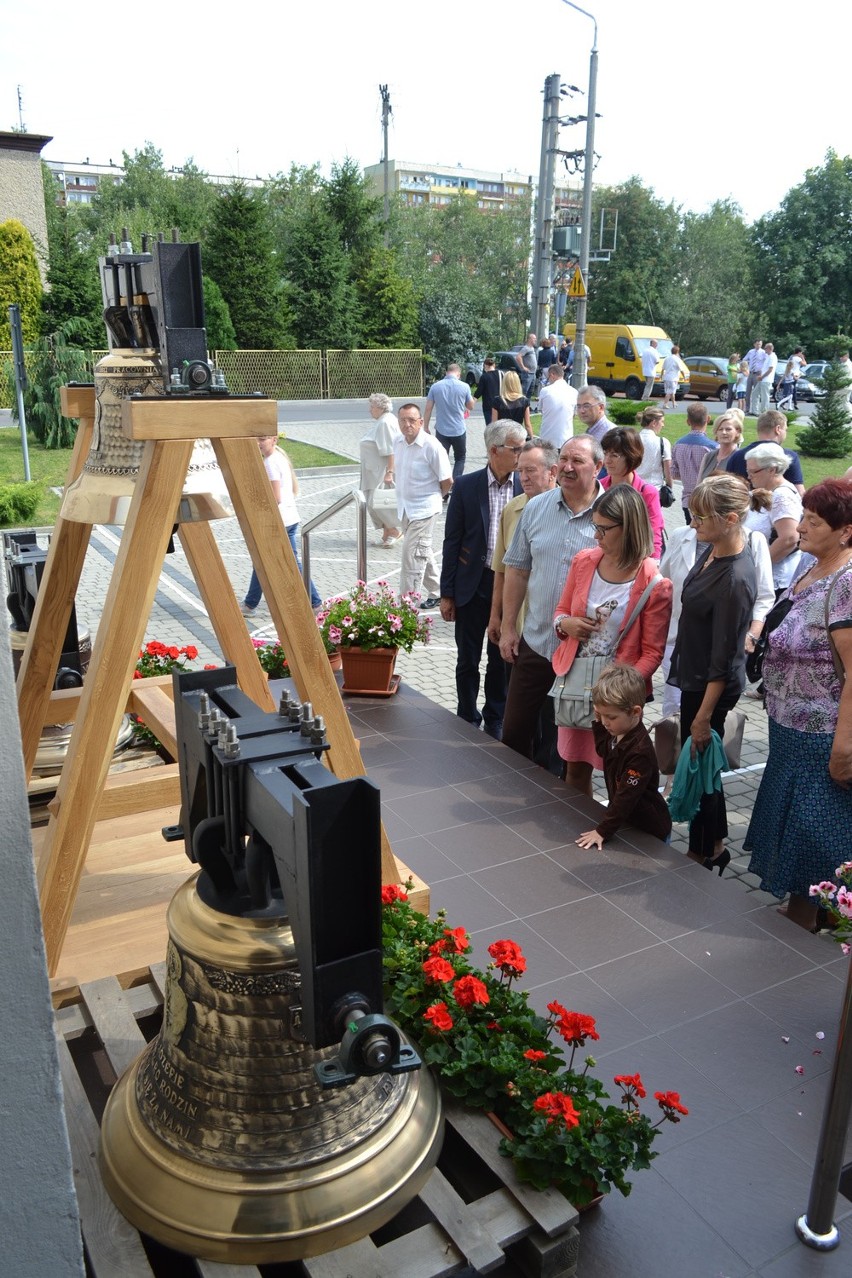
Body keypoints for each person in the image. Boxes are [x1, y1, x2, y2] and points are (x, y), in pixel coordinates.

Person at [744, 479, 852, 931]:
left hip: (821, 735)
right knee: (794, 828)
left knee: (812, 837)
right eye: (803, 516)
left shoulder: (846, 583)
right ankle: (801, 912)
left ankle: (806, 924)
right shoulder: (811, 567)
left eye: (814, 521)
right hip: (787, 727)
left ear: (845, 532)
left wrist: (843, 748)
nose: (801, 526)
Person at [552, 484, 671, 795]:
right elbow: (562, 611)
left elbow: (652, 653)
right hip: (577, 688)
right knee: (575, 770)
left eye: (603, 529)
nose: (596, 536)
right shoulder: (584, 561)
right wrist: (567, 624)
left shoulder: (655, 583)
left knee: (619, 779)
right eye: (595, 526)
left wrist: (617, 692)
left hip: (618, 702)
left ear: (628, 528)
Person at [667, 475, 757, 872]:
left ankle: (701, 853)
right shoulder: (713, 549)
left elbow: (724, 658)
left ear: (731, 518)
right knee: (704, 767)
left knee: (702, 768)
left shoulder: (734, 578)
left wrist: (703, 717)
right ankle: (714, 846)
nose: (693, 524)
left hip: (711, 687)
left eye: (701, 517)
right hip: (697, 677)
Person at [500, 435, 604, 772]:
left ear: (598, 467)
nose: (568, 468)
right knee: (514, 732)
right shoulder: (536, 507)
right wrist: (507, 627)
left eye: (579, 461)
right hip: (536, 640)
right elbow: (516, 569)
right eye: (565, 460)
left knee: (566, 747)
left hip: (583, 652)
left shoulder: (614, 513)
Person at [439, 421, 525, 739]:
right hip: (473, 585)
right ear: (494, 451)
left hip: (510, 587)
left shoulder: (525, 487)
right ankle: (465, 714)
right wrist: (447, 593)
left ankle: (495, 714)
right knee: (468, 657)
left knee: (501, 658)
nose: (522, 454)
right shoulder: (466, 486)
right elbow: (452, 541)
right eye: (516, 449)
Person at [574, 664, 673, 849]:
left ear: (635, 712)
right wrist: (598, 721)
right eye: (600, 715)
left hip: (650, 829)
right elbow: (603, 750)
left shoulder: (639, 753)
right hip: (631, 823)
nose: (605, 723)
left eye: (610, 717)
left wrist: (602, 831)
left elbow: (625, 798)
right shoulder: (620, 731)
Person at [242, 435, 322, 615]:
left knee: (287, 564)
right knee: (263, 562)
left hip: (280, 521)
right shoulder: (279, 457)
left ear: (274, 440)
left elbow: (274, 497)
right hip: (289, 518)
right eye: (256, 439)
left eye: (262, 439)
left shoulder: (270, 462)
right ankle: (250, 604)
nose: (258, 443)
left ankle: (316, 603)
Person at [394, 403, 453, 608]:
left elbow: (447, 481)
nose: (407, 424)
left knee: (411, 559)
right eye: (403, 420)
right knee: (422, 551)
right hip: (405, 509)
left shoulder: (432, 446)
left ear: (421, 422)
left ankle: (406, 608)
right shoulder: (398, 442)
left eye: (412, 420)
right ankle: (439, 590)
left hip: (425, 509)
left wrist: (436, 498)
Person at [743, 442, 803, 593]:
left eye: (753, 472)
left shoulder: (782, 495)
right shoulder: (770, 491)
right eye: (747, 471)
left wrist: (756, 568)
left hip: (774, 580)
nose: (749, 477)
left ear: (772, 470)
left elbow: (789, 538)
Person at [599, 426, 665, 558]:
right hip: (601, 557)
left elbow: (654, 533)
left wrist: (653, 563)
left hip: (632, 559)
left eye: (614, 455)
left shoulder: (646, 492)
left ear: (631, 456)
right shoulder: (598, 487)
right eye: (605, 453)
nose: (607, 460)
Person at [727, 408, 805, 495]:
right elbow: (799, 492)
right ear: (778, 429)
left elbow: (727, 489)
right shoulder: (787, 456)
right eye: (785, 429)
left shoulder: (737, 456)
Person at [360, 392, 401, 547]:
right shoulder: (383, 421)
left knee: (377, 502)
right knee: (375, 503)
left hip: (380, 471)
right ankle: (386, 534)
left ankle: (394, 531)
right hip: (373, 470)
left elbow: (391, 449)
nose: (370, 410)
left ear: (380, 408)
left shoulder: (385, 423)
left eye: (372, 407)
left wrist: (390, 472)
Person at [423, 363, 474, 481]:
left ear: (446, 373)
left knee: (442, 459)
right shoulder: (464, 386)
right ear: (458, 374)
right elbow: (470, 406)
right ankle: (456, 485)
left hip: (441, 430)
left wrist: (425, 427)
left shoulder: (435, 386)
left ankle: (443, 487)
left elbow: (428, 408)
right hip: (459, 429)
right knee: (460, 458)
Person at [671, 403, 717, 524]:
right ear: (708, 419)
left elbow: (674, 473)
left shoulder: (678, 445)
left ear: (688, 421)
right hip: (708, 500)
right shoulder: (713, 448)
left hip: (688, 499)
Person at [537, 362, 577, 450]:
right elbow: (574, 414)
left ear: (552, 375)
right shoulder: (574, 392)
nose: (549, 380)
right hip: (566, 438)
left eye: (548, 377)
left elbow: (540, 409)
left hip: (547, 437)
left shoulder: (545, 390)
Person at [697, 409, 744, 481]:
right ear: (716, 432)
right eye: (720, 429)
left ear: (737, 431)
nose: (724, 432)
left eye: (728, 429)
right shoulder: (708, 457)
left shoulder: (740, 458)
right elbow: (698, 484)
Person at [635, 404, 672, 493]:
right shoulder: (663, 442)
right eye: (662, 421)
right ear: (654, 423)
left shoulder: (632, 439)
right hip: (654, 489)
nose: (663, 425)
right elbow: (668, 470)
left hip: (633, 489)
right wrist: (670, 488)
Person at [491, 370, 531, 438]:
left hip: (503, 436)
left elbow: (494, 424)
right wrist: (531, 437)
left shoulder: (497, 401)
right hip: (518, 435)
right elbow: (527, 424)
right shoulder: (524, 401)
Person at [472, 356, 501, 427]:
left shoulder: (484, 377)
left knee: (490, 427)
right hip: (500, 404)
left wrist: (471, 405)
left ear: (485, 366)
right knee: (500, 427)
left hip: (488, 406)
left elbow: (478, 392)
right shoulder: (501, 374)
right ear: (494, 365)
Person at [743, 339, 767, 415]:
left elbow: (766, 362)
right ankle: (747, 409)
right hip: (751, 373)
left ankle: (755, 410)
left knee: (756, 393)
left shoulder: (763, 352)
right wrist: (746, 368)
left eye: (760, 344)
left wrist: (762, 371)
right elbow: (744, 360)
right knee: (748, 392)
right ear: (754, 344)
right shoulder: (751, 352)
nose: (758, 346)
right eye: (757, 344)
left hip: (758, 374)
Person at [753, 342, 777, 416]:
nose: (765, 349)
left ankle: (764, 412)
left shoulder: (773, 357)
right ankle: (755, 411)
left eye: (766, 348)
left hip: (766, 380)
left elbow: (770, 369)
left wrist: (762, 377)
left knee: (764, 396)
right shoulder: (767, 356)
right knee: (755, 393)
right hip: (762, 379)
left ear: (770, 349)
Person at [515, 332, 538, 397]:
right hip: (527, 374)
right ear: (529, 339)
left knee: (530, 391)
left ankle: (527, 405)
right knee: (524, 391)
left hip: (533, 373)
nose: (535, 340)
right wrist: (523, 367)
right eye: (534, 338)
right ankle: (521, 405)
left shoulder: (532, 348)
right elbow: (518, 357)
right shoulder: (526, 348)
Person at [661, 345, 684, 410]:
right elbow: (681, 369)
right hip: (673, 378)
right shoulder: (677, 359)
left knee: (672, 391)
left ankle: (674, 403)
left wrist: (661, 376)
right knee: (670, 392)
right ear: (677, 352)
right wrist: (684, 376)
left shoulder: (667, 358)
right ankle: (665, 404)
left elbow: (663, 369)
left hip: (666, 377)